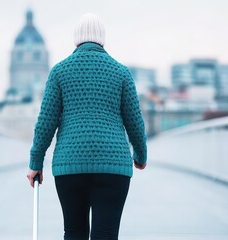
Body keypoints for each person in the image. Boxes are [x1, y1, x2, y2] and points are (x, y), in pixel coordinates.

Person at [27, 13, 147, 240]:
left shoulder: (59, 71)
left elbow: (46, 122)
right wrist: (140, 155)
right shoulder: (121, 73)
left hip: (70, 164)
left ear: (76, 39)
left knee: (74, 232)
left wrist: (36, 162)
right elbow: (135, 122)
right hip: (113, 166)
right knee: (106, 234)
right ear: (103, 39)